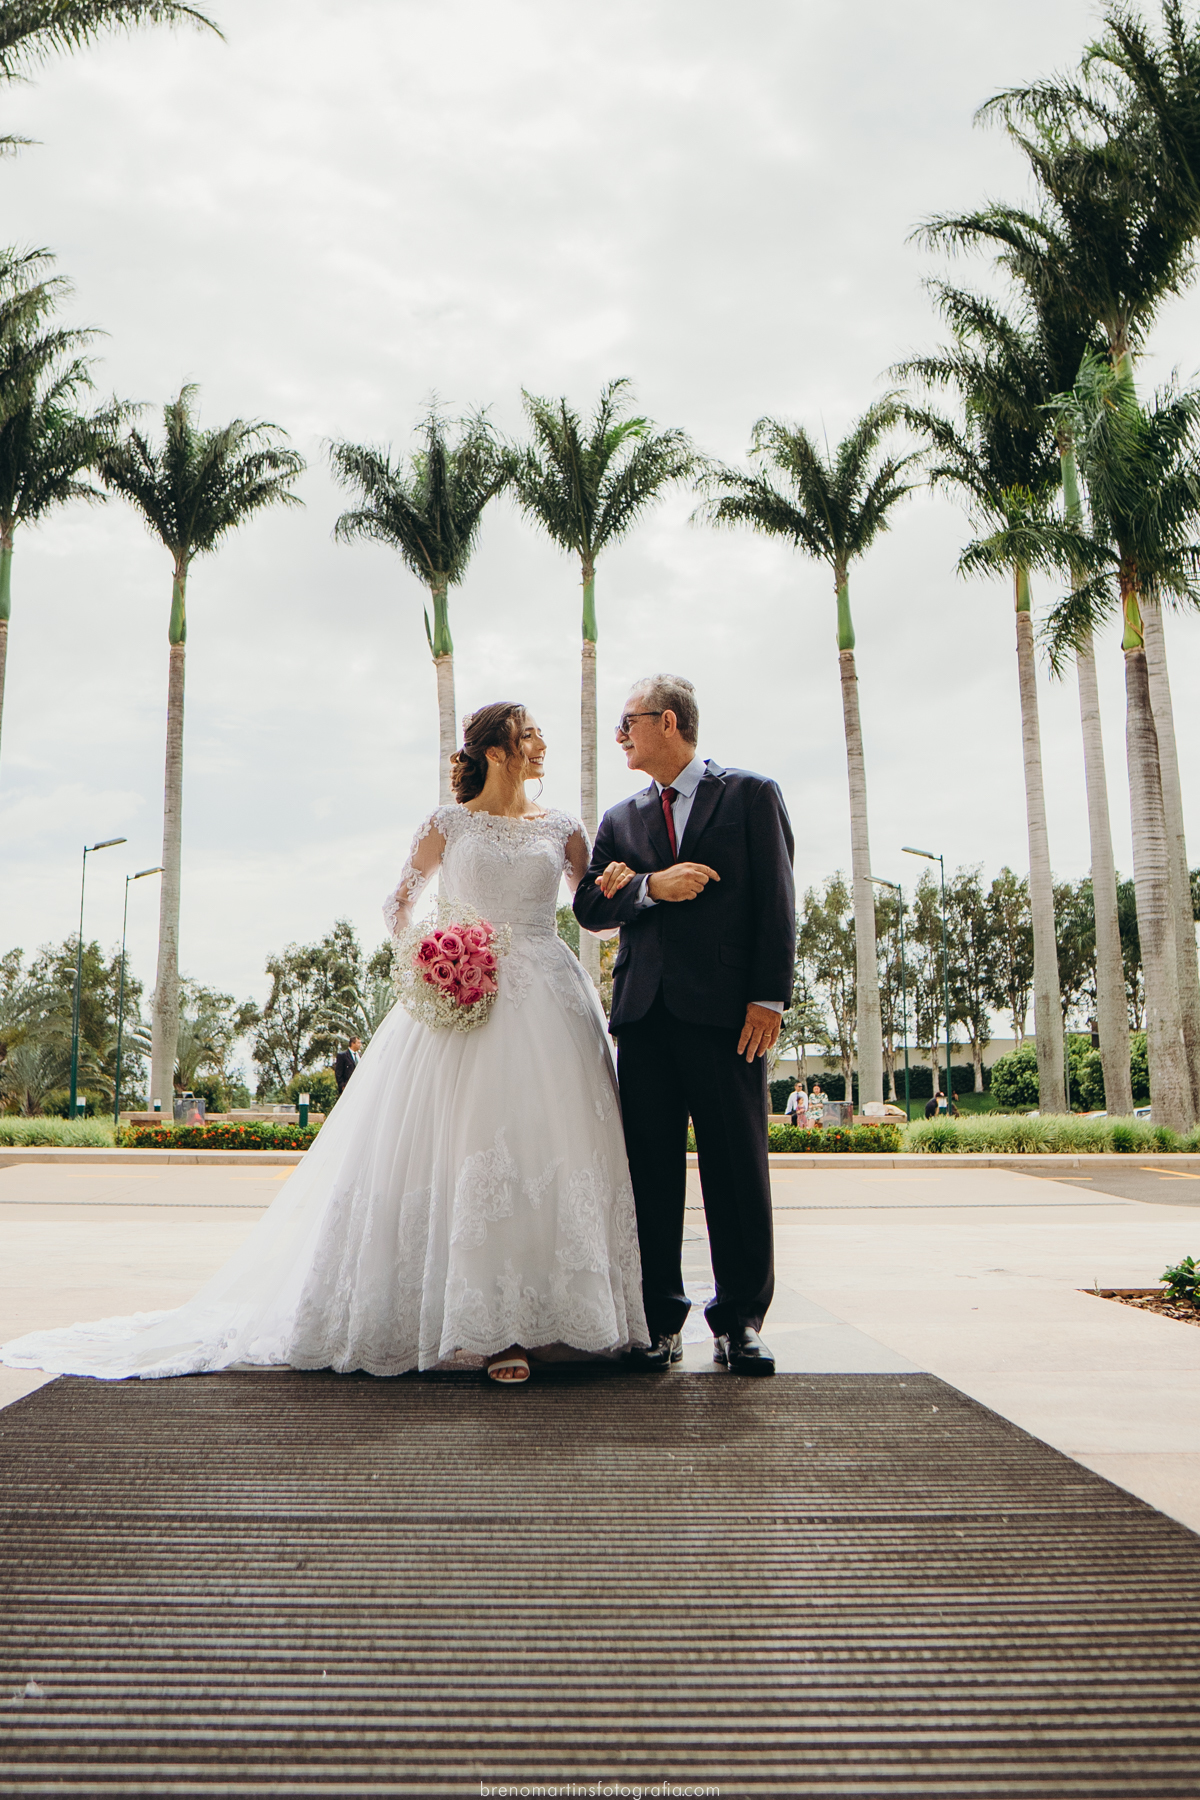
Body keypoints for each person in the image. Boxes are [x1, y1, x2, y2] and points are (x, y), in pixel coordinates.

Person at [0, 702, 648, 1388]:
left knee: (554, 1147)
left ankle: (562, 1320)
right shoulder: (446, 825)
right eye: (526, 734)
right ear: (496, 751)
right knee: (467, 1148)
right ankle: (488, 1331)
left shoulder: (565, 829)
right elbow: (398, 902)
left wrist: (615, 889)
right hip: (462, 999)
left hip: (550, 998)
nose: (537, 742)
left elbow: (592, 912)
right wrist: (430, 960)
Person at [574, 673, 795, 1378]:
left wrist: (770, 998)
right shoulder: (619, 820)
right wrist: (646, 887)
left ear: (668, 722)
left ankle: (741, 1323)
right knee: (649, 1175)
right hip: (643, 1019)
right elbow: (589, 907)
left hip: (731, 1020)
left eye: (628, 723)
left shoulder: (752, 795)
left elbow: (778, 902)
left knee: (737, 1169)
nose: (621, 737)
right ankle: (657, 1323)